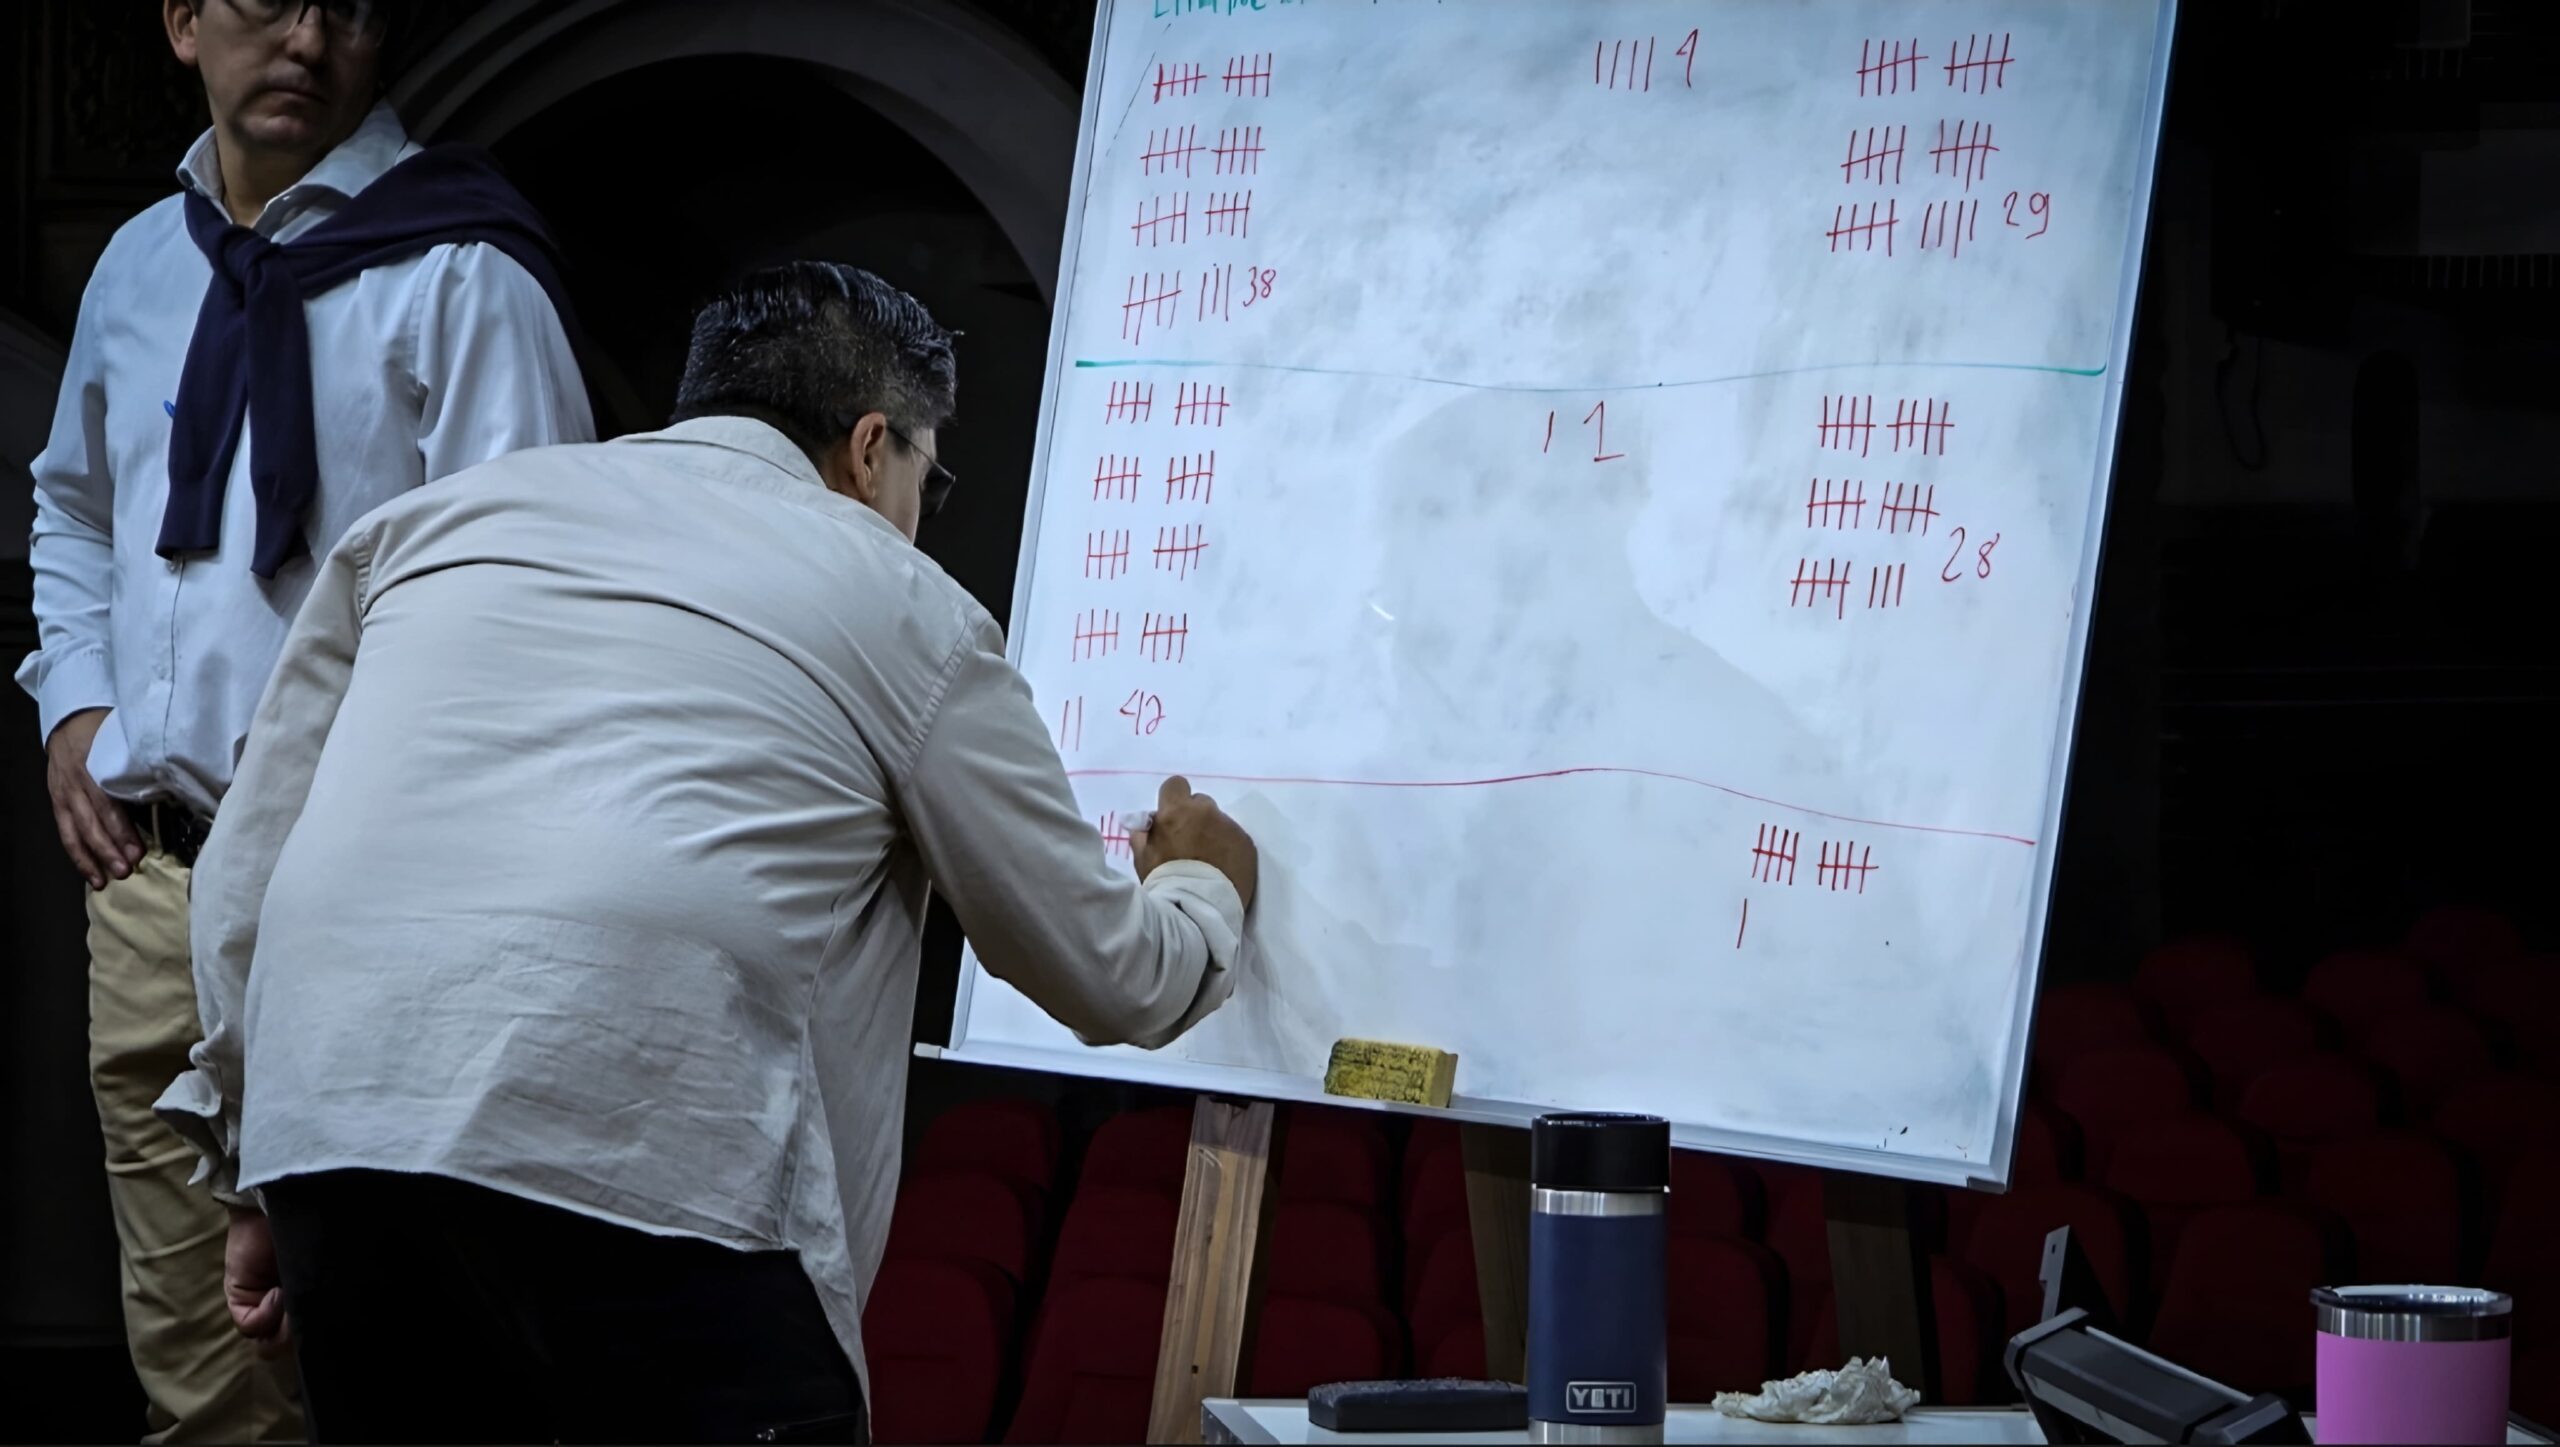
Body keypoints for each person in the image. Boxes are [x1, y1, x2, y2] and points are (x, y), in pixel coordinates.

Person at [156, 261, 1258, 1443]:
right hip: (655, 1167)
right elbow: (1108, 975)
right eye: (927, 481)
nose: (919, 512)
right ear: (871, 447)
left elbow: (244, 876)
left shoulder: (426, 526)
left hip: (339, 1137)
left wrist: (254, 1163)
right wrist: (1202, 884)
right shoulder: (905, 603)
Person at [18, 1, 592, 1437]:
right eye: (267, 0)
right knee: (198, 1371)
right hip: (153, 882)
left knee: (381, 1347)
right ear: (180, 21)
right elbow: (74, 505)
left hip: (361, 903)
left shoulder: (461, 271)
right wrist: (74, 698)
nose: (307, 39)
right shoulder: (141, 266)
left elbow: (526, 607)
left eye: (347, 7)